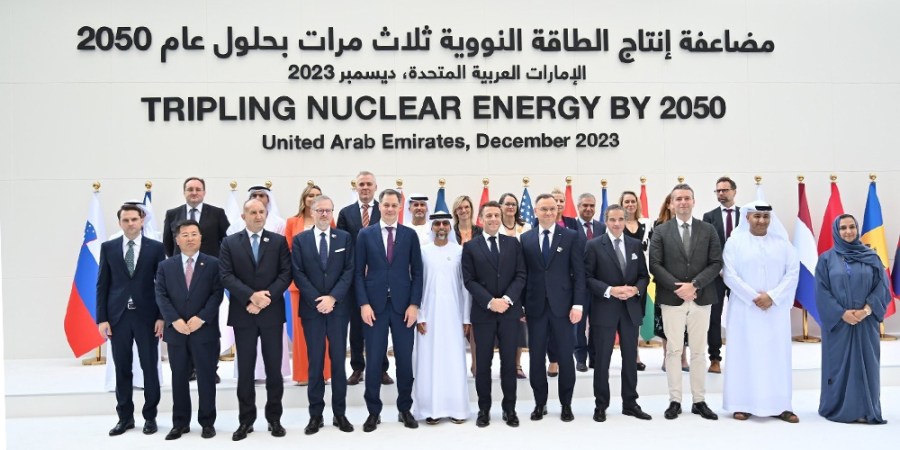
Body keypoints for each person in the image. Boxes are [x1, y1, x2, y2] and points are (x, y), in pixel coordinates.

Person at [219, 198, 292, 441]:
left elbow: (286, 273)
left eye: (262, 212)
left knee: (273, 369)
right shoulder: (230, 242)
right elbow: (226, 275)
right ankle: (246, 420)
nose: (258, 216)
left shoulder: (278, 241)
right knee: (246, 369)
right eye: (253, 212)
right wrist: (251, 297)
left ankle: (274, 419)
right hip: (244, 313)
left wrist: (265, 298)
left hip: (271, 313)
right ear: (243, 216)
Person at [649, 183, 722, 421]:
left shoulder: (708, 229)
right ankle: (675, 401)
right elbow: (655, 265)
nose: (683, 202)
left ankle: (699, 401)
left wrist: (695, 285)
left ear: (693, 201)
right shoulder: (661, 231)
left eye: (687, 198)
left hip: (702, 297)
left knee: (699, 352)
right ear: (671, 204)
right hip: (672, 299)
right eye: (678, 199)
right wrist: (679, 288)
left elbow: (716, 262)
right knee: (674, 350)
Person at [721, 202, 799, 423]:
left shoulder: (783, 244)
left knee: (776, 357)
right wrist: (754, 297)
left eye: (765, 216)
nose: (761, 220)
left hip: (775, 311)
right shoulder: (735, 243)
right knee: (744, 356)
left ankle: (780, 406)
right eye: (757, 216)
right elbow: (729, 274)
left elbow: (792, 273)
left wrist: (772, 296)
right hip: (745, 311)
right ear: (747, 217)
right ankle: (742, 404)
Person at [355, 188, 424, 432]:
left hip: (403, 308)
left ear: (400, 207)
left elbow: (417, 272)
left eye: (394, 205)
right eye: (386, 205)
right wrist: (363, 303)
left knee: (404, 361)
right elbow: (358, 272)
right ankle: (373, 412)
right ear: (380, 206)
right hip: (374, 308)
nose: (390, 209)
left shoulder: (409, 235)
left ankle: (405, 408)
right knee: (374, 360)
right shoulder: (365, 234)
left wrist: (414, 304)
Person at [97, 203, 166, 436]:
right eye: (125, 220)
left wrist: (161, 316)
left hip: (147, 318)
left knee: (149, 368)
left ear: (142, 220)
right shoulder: (108, 248)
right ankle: (124, 418)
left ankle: (150, 417)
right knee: (122, 369)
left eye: (134, 219)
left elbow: (162, 285)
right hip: (118, 318)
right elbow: (102, 284)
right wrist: (102, 318)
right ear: (120, 223)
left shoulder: (156, 248)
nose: (130, 224)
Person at [816, 214, 891, 424]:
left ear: (857, 229)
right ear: (836, 231)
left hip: (866, 322)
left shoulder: (872, 257)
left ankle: (866, 410)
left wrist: (866, 310)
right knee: (837, 366)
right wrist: (842, 313)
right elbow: (821, 290)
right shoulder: (826, 259)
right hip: (839, 324)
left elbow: (882, 287)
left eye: (852, 227)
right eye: (843, 228)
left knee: (867, 365)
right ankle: (837, 407)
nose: (848, 231)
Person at [291, 195, 355, 434]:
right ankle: (315, 416)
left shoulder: (344, 238)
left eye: (328, 210)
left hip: (338, 310)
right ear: (312, 212)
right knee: (315, 362)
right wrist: (318, 300)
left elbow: (349, 270)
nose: (325, 214)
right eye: (320, 210)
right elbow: (297, 272)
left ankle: (340, 414)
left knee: (338, 362)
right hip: (312, 310)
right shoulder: (300, 240)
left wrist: (333, 298)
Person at [520, 193, 586, 422]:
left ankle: (566, 404)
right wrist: (521, 307)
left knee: (566, 357)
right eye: (544, 209)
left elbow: (579, 274)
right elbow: (522, 275)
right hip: (535, 308)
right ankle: (540, 403)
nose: (548, 213)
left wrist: (578, 304)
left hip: (564, 308)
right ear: (535, 211)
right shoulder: (525, 239)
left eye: (552, 209)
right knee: (536, 358)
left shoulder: (570, 236)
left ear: (557, 211)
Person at [155, 219, 223, 439]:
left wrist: (201, 318)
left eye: (194, 234)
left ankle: (207, 422)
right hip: (177, 332)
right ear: (177, 239)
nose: (190, 238)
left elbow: (217, 294)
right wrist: (174, 320)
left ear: (201, 237)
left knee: (206, 377)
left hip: (204, 331)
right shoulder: (166, 266)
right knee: (178, 378)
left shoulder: (213, 264)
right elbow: (161, 295)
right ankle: (180, 423)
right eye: (185, 235)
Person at [461, 201, 527, 428]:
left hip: (509, 312)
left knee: (509, 363)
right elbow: (469, 280)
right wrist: (490, 302)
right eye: (488, 215)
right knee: (483, 364)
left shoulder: (513, 243)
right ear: (481, 218)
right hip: (484, 313)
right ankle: (484, 410)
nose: (493, 219)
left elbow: (521, 275)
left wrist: (506, 300)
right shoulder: (471, 247)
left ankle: (510, 409)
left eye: (496, 215)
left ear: (501, 218)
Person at [585, 204, 651, 422]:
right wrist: (610, 290)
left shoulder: (634, 244)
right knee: (602, 360)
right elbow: (587, 278)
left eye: (620, 219)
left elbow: (644, 276)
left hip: (630, 310)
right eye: (612, 219)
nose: (616, 223)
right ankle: (601, 405)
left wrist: (636, 289)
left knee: (630, 358)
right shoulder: (594, 245)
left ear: (625, 220)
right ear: (606, 221)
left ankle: (630, 403)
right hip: (605, 310)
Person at [412, 210, 472, 424]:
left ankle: (457, 409)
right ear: (431, 227)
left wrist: (466, 318)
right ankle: (430, 409)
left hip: (454, 315)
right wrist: (419, 315)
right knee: (428, 361)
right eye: (437, 224)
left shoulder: (459, 251)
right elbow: (417, 284)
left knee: (453, 360)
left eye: (445, 224)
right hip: (427, 317)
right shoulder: (422, 252)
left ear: (449, 227)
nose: (441, 228)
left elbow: (465, 287)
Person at [337, 171, 392, 386]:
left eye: (369, 184)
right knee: (357, 326)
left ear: (376, 187)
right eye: (362, 184)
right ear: (356, 187)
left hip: (380, 278)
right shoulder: (346, 213)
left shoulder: (384, 209)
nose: (366, 188)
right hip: (355, 278)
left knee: (380, 324)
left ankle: (381, 369)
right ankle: (357, 368)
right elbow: (343, 245)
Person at [284, 183, 331, 386]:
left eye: (317, 195)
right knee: (301, 331)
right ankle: (303, 374)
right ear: (304, 199)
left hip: (324, 287)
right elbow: (287, 252)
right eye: (310, 195)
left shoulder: (329, 220)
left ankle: (324, 373)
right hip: (299, 285)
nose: (313, 198)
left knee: (324, 331)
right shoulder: (292, 222)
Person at [702, 176, 740, 374]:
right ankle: (715, 358)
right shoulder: (709, 217)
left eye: (725, 190)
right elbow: (706, 245)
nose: (721, 193)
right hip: (716, 276)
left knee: (740, 317)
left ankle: (740, 357)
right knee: (714, 318)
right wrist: (717, 268)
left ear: (734, 191)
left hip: (740, 277)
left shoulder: (746, 214)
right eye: (718, 191)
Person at [650, 193, 689, 372]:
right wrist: (670, 281)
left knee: (685, 324)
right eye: (674, 201)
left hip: (687, 282)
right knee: (666, 323)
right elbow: (656, 258)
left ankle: (683, 358)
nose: (679, 204)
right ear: (668, 205)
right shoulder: (658, 226)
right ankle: (667, 357)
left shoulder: (690, 225)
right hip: (666, 282)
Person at [569, 192, 604, 373]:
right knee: (579, 324)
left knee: (597, 323)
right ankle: (580, 357)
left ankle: (595, 357)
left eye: (592, 205)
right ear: (578, 206)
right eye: (585, 205)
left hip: (598, 284)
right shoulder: (570, 228)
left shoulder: (602, 227)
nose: (588, 209)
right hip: (578, 284)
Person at [499, 192, 531, 379]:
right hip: (501, 280)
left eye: (513, 204)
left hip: (522, 280)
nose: (511, 207)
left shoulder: (526, 227)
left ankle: (517, 365)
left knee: (519, 325)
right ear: (500, 206)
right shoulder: (496, 226)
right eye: (507, 204)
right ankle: (504, 365)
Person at [452, 194, 482, 376]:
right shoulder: (449, 231)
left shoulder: (480, 231)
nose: (463, 210)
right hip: (454, 282)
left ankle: (476, 364)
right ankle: (456, 366)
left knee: (475, 324)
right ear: (455, 211)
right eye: (460, 208)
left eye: (466, 207)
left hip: (476, 282)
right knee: (457, 323)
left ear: (471, 209)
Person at [163, 177, 230, 258]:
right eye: (190, 189)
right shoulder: (172, 214)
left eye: (198, 189)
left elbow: (227, 241)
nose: (194, 193)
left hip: (210, 263)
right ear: (184, 192)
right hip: (180, 263)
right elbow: (167, 244)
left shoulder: (217, 213)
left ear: (204, 193)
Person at [620, 190, 648, 371]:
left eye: (633, 201)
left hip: (640, 277)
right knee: (620, 318)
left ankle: (635, 354)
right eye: (627, 202)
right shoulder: (617, 224)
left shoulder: (646, 224)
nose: (630, 204)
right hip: (621, 278)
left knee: (636, 317)